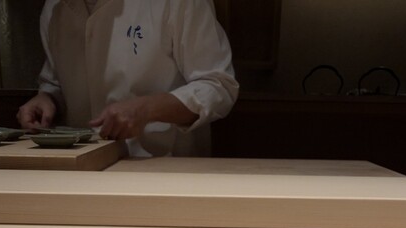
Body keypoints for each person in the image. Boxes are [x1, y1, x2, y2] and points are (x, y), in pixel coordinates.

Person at [17, 0, 239, 157]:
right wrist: (48, 98)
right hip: (79, 167)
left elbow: (218, 85)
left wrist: (147, 109)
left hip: (162, 167)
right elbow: (55, 80)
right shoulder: (54, 8)